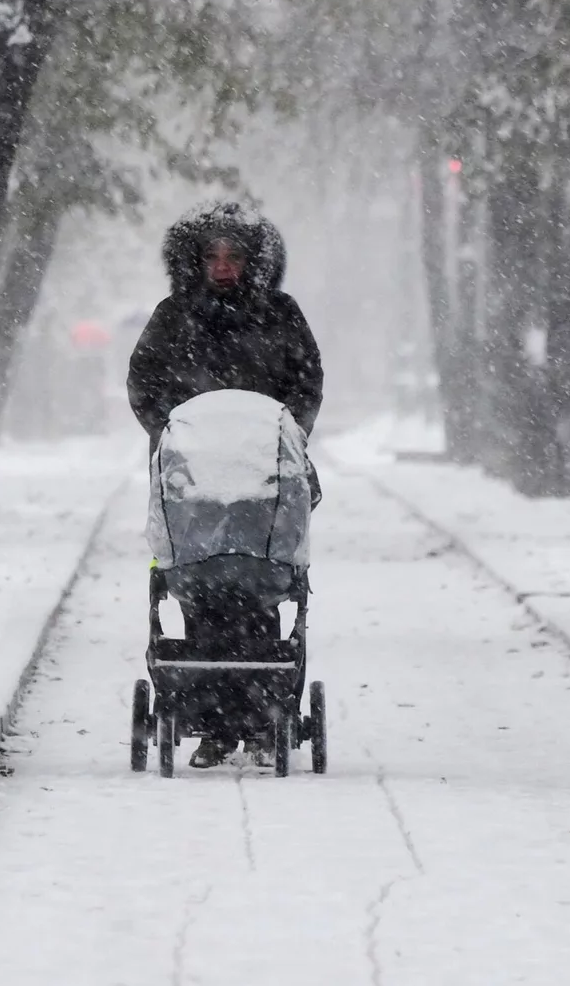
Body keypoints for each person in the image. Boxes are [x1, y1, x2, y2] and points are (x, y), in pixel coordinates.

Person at [129, 201, 323, 769]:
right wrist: (173, 432)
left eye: (233, 256)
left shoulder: (280, 316)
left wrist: (287, 434)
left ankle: (261, 720)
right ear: (193, 261)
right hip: (194, 480)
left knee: (259, 594)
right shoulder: (174, 317)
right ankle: (215, 722)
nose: (221, 266)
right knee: (204, 598)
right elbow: (145, 384)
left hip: (263, 476)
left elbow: (306, 381)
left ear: (253, 261)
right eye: (211, 256)